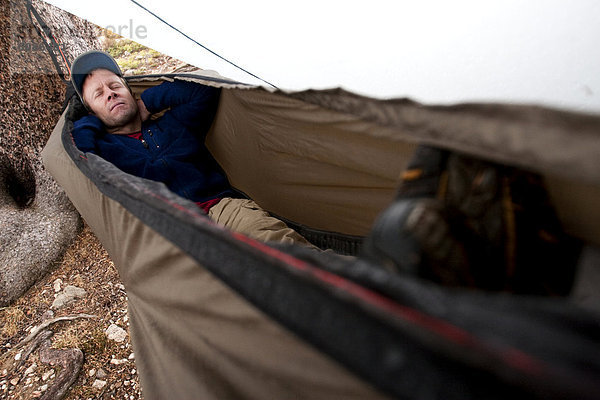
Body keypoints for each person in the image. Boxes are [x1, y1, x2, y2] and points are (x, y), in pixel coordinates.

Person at [70, 50, 313, 246]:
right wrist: (90, 120)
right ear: (91, 112)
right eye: (99, 94)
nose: (111, 94)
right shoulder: (106, 149)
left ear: (130, 92)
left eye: (115, 86)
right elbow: (81, 155)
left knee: (284, 248)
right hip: (172, 234)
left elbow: (204, 87)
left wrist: (148, 103)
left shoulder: (174, 123)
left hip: (222, 209)